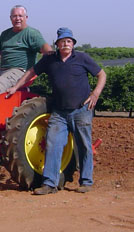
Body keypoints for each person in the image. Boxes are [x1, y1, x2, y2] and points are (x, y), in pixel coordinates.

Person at [6, 27, 107, 195]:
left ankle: (86, 181)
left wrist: (95, 94)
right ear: (57, 44)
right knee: (52, 144)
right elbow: (32, 71)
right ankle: (49, 184)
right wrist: (16, 87)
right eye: (62, 42)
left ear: (73, 44)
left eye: (68, 41)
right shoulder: (50, 60)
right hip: (59, 112)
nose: (65, 44)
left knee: (83, 146)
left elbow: (101, 74)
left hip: (81, 109)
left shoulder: (82, 58)